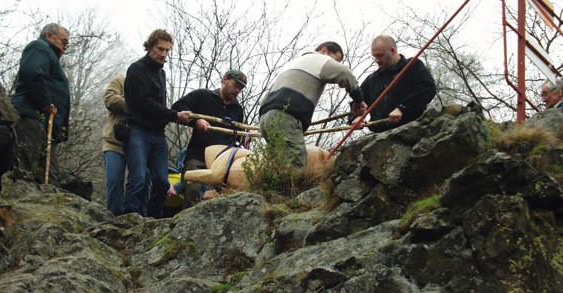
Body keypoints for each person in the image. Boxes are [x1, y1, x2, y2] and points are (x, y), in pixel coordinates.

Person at [259, 41, 366, 169]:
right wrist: (359, 100)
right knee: (296, 165)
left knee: (278, 167)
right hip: (286, 116)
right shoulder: (318, 59)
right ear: (324, 51)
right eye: (335, 60)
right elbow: (345, 74)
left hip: (265, 118)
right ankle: (293, 189)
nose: (334, 65)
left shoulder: (293, 63)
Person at [123, 29, 191, 219]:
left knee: (162, 182)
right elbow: (144, 103)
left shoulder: (161, 73)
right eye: (160, 49)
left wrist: (171, 116)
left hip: (157, 134)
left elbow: (159, 105)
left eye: (167, 51)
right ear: (150, 47)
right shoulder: (136, 69)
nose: (163, 54)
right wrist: (174, 115)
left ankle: (151, 221)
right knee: (138, 179)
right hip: (138, 131)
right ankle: (129, 221)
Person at [171, 69, 246, 210]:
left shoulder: (238, 109)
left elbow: (239, 136)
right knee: (193, 189)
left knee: (224, 197)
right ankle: (184, 227)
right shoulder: (203, 96)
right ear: (224, 79)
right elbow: (178, 106)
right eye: (235, 85)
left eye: (241, 88)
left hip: (222, 163)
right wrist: (196, 120)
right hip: (197, 157)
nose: (237, 90)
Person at [11, 23, 71, 186]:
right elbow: (33, 74)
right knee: (26, 167)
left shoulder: (50, 56)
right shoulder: (40, 47)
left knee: (49, 176)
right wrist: (46, 103)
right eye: (63, 42)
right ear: (49, 36)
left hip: (45, 124)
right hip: (32, 116)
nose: (65, 47)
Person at [356, 34, 436, 133]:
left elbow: (428, 88)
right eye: (374, 56)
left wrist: (402, 108)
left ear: (393, 51)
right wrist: (357, 117)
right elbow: (359, 101)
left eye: (380, 55)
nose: (377, 61)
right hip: (379, 135)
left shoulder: (412, 66)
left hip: (411, 129)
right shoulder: (372, 79)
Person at [102, 76, 126, 216]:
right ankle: (114, 218)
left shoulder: (150, 86)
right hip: (113, 142)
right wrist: (133, 102)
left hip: (139, 144)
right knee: (115, 181)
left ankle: (134, 217)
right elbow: (109, 100)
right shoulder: (120, 81)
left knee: (142, 181)